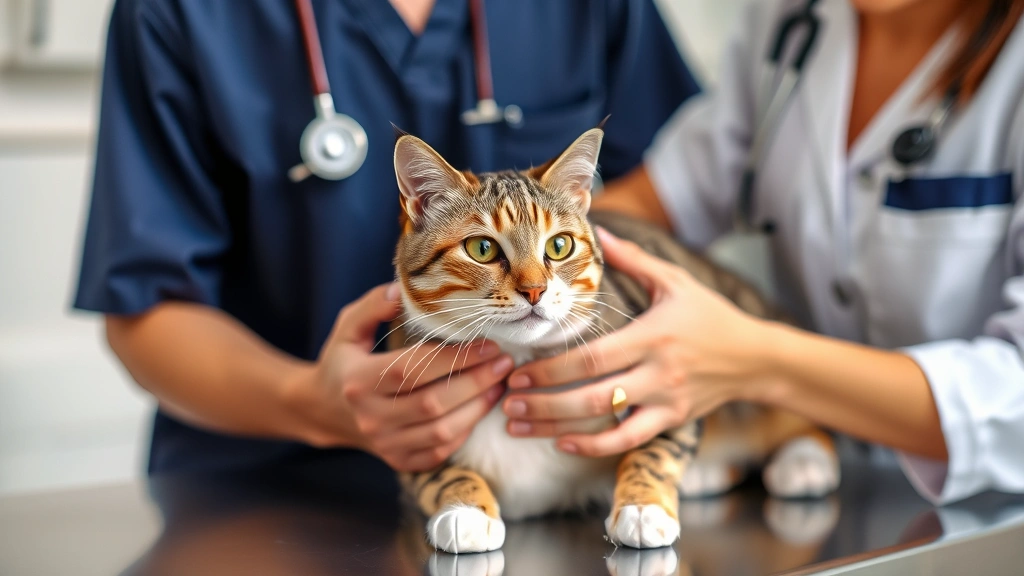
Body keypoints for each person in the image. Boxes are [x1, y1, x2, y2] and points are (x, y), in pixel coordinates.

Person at [74, 0, 699, 490]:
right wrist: (311, 404)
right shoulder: (176, 12)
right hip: (264, 485)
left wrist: (585, 301)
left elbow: (674, 186)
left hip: (547, 474)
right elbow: (143, 306)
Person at [501, 0, 1024, 505]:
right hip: (808, 482)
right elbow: (654, 201)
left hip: (991, 505)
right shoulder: (791, 21)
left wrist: (756, 362)